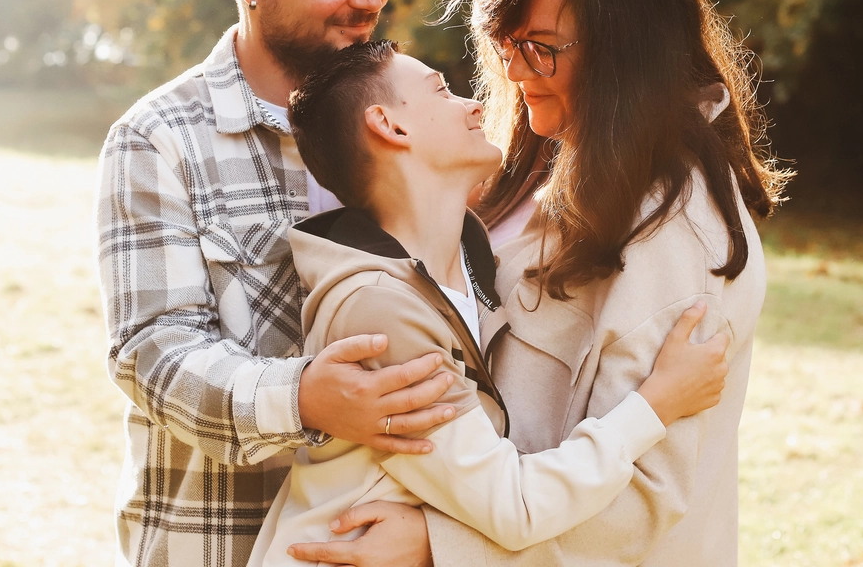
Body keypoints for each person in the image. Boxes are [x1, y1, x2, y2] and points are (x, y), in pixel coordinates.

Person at [290, 0, 789, 566]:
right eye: (507, 44)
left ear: (624, 57)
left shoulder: (680, 229)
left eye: (541, 48)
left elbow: (647, 493)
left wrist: (439, 546)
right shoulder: (525, 173)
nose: (515, 71)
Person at [95, 0, 460, 567]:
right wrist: (304, 400)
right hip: (222, 543)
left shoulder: (409, 117)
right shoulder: (159, 140)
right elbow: (152, 351)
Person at [246, 41, 729, 565]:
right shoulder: (378, 310)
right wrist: (656, 402)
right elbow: (514, 506)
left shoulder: (471, 262)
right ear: (390, 125)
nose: (472, 103)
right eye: (440, 90)